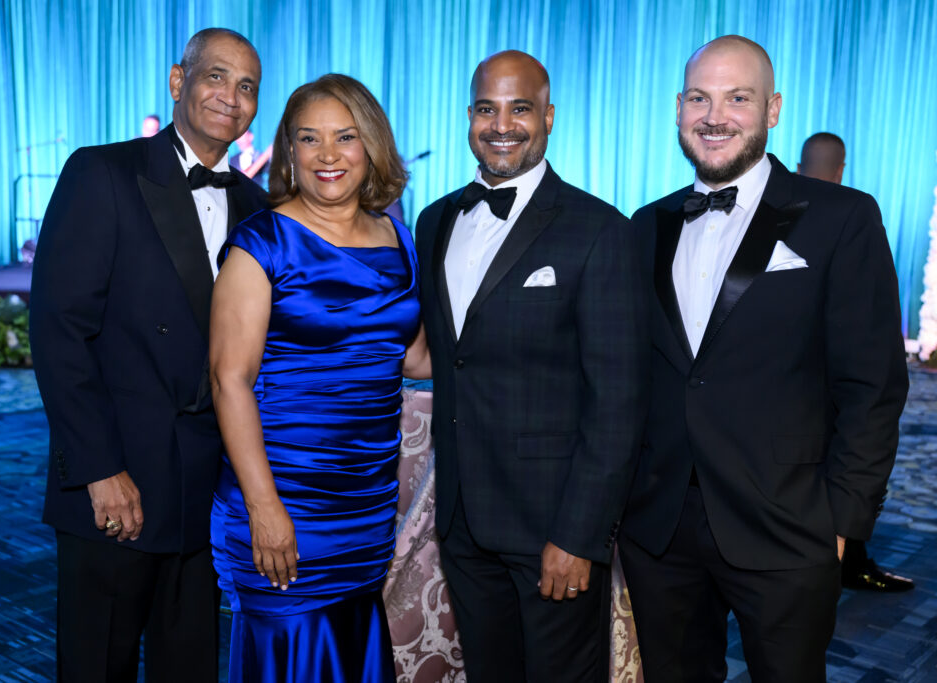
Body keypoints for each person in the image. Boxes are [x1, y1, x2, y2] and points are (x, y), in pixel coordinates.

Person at [618, 35, 908, 682]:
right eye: (700, 97)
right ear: (677, 107)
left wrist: (842, 523)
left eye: (737, 98)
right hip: (661, 530)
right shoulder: (646, 224)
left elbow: (873, 385)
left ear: (772, 109)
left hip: (787, 524)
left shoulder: (843, 217)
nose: (714, 115)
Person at [30, 28, 267, 682]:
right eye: (216, 76)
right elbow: (58, 331)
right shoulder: (104, 172)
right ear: (176, 81)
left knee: (189, 666)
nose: (231, 96)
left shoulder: (255, 206)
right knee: (96, 665)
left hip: (205, 491)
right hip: (118, 481)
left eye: (247, 86)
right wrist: (99, 467)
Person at [415, 50, 647, 682]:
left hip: (552, 526)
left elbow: (619, 400)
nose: (502, 124)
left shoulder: (600, 230)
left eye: (520, 108)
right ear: (468, 117)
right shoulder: (435, 221)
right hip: (462, 519)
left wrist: (579, 535)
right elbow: (445, 354)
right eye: (487, 108)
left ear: (549, 117)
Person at [208, 73, 429, 682]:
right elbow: (230, 381)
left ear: (372, 146)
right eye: (309, 139)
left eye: (345, 137)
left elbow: (412, 358)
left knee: (351, 650)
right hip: (284, 499)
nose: (328, 155)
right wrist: (264, 509)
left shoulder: (398, 240)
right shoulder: (262, 244)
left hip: (364, 504)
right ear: (289, 151)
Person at [798, 131, 914, 593]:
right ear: (841, 167)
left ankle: (851, 550)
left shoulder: (849, 215)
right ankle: (850, 552)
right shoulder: (852, 216)